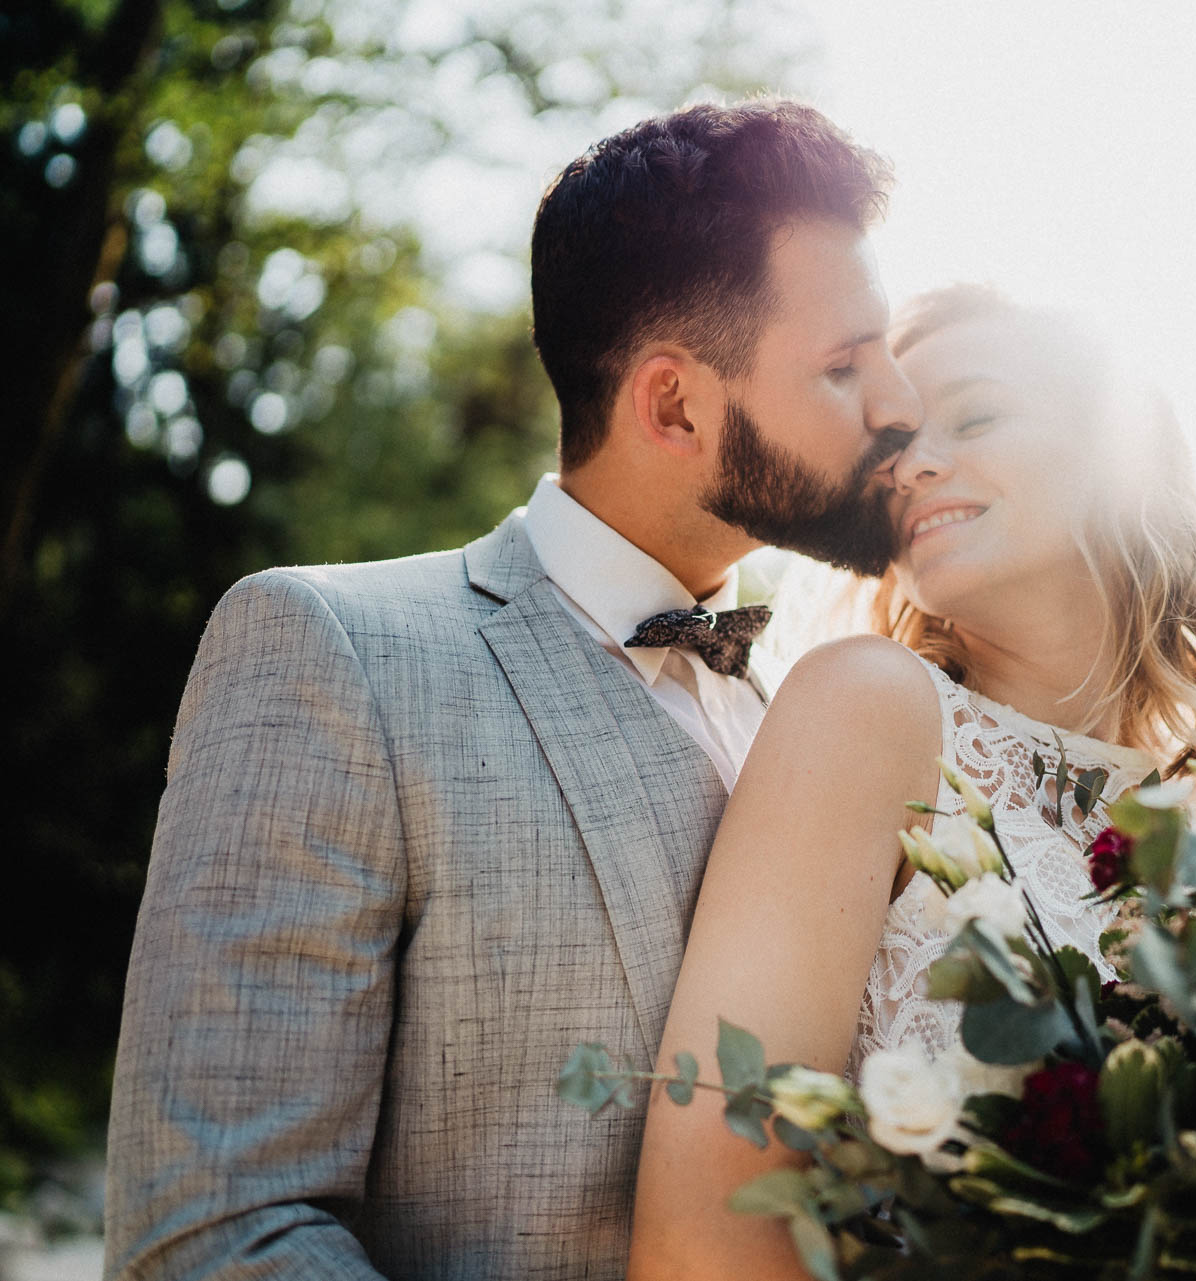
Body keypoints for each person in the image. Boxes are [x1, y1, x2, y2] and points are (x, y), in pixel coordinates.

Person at [103, 98, 920, 1279]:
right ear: (674, 404)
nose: (900, 404)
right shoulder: (330, 652)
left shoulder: (828, 719)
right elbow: (216, 1232)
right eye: (846, 365)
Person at [628, 284, 1196, 1279]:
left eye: (976, 416)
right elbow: (707, 1235)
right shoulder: (871, 712)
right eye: (892, 449)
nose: (914, 464)